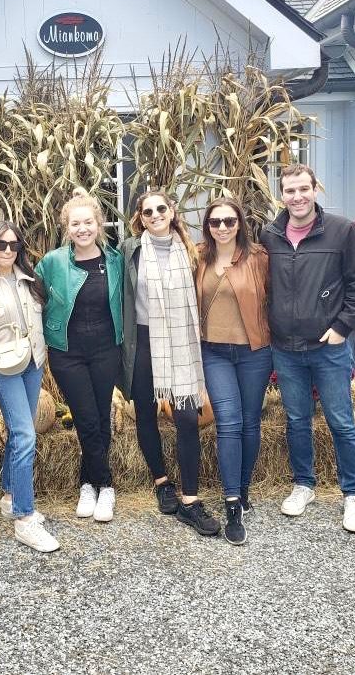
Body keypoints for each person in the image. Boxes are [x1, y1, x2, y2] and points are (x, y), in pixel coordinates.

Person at [260, 164, 355, 534]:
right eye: (290, 191)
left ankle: (352, 495)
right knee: (296, 420)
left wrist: (342, 327)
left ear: (315, 189)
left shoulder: (341, 231)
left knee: (341, 421)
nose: (297, 197)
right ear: (281, 195)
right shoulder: (270, 235)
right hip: (286, 348)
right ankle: (304, 485)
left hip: (328, 347)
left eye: (303, 189)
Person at [120, 191, 220, 537]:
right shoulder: (131, 251)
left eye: (161, 208)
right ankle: (162, 481)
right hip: (144, 343)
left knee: (188, 418)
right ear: (141, 217)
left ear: (172, 211)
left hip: (180, 344)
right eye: (148, 211)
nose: (155, 214)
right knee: (146, 414)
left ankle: (190, 501)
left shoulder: (192, 251)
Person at [0, 222, 58, 552]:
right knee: (26, 435)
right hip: (2, 369)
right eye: (1, 245)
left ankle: (9, 495)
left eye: (14, 246)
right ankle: (24, 517)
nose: (7, 251)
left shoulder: (29, 279)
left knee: (21, 432)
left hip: (32, 364)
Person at [35, 188, 123, 522]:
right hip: (67, 352)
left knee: (101, 417)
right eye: (75, 224)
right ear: (67, 227)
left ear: (99, 224)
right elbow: (33, 297)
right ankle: (107, 484)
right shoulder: (53, 262)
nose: (82, 228)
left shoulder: (114, 260)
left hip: (105, 349)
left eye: (88, 222)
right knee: (86, 418)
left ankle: (88, 483)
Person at [195, 197, 272, 545]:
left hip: (254, 351)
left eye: (229, 221)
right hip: (214, 353)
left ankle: (243, 491)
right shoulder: (198, 257)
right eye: (215, 222)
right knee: (229, 421)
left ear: (239, 223)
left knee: (251, 421)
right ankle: (231, 504)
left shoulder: (258, 258)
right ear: (207, 227)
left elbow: (280, 296)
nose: (222, 227)